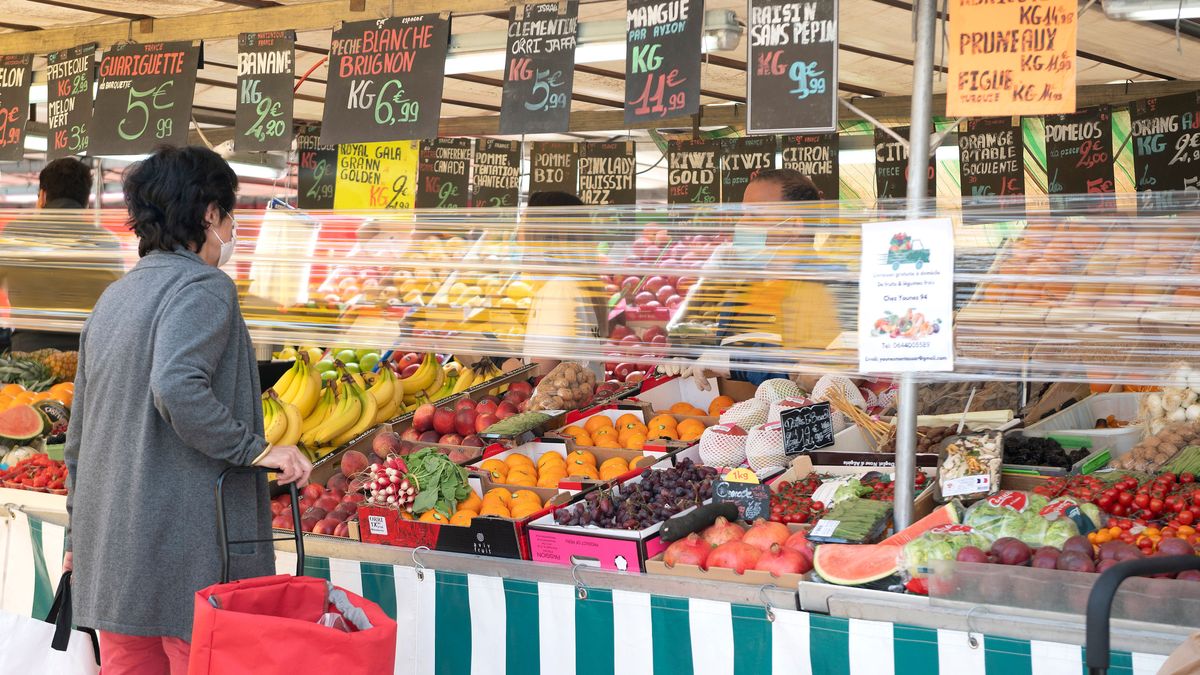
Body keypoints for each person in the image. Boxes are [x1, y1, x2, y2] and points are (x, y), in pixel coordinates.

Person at [63, 146, 313, 675]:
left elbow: (79, 438)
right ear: (208, 215)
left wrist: (75, 536)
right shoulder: (203, 287)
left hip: (114, 548)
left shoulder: (114, 297)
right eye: (230, 214)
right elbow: (177, 385)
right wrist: (259, 451)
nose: (232, 227)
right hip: (187, 548)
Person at [666, 169, 850, 388]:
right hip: (732, 416)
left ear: (792, 225)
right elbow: (715, 337)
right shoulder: (743, 282)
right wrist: (685, 353)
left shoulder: (833, 285)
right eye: (743, 214)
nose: (742, 224)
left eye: (754, 215)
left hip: (800, 418)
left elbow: (822, 373)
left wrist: (736, 364)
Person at [0, 158, 123, 352]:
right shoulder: (107, 243)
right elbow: (116, 307)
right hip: (87, 358)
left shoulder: (14, 235)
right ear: (86, 202)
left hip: (29, 358)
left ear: (42, 196)